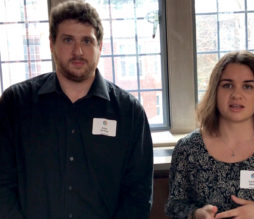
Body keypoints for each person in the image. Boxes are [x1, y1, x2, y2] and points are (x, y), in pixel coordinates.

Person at [0, 1, 153, 218]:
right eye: (68, 40)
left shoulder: (130, 113)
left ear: (100, 46)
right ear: (52, 44)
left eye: (87, 41)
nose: (78, 51)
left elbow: (137, 196)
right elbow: (3, 185)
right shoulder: (15, 104)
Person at [165, 50, 254, 219]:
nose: (236, 95)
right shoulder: (188, 148)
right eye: (227, 85)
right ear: (215, 91)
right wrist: (196, 214)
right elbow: (174, 206)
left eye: (248, 86)